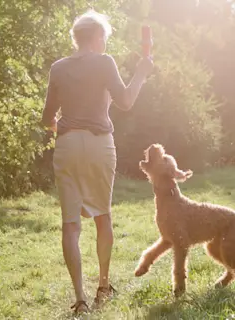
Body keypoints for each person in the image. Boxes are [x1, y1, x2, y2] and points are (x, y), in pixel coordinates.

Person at [40, 9, 154, 314]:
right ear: (99, 36)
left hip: (67, 145)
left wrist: (66, 128)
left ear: (77, 38)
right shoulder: (105, 62)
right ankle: (103, 287)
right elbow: (126, 102)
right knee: (103, 216)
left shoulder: (58, 68)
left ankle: (80, 299)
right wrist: (142, 71)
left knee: (70, 223)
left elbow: (46, 118)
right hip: (99, 144)